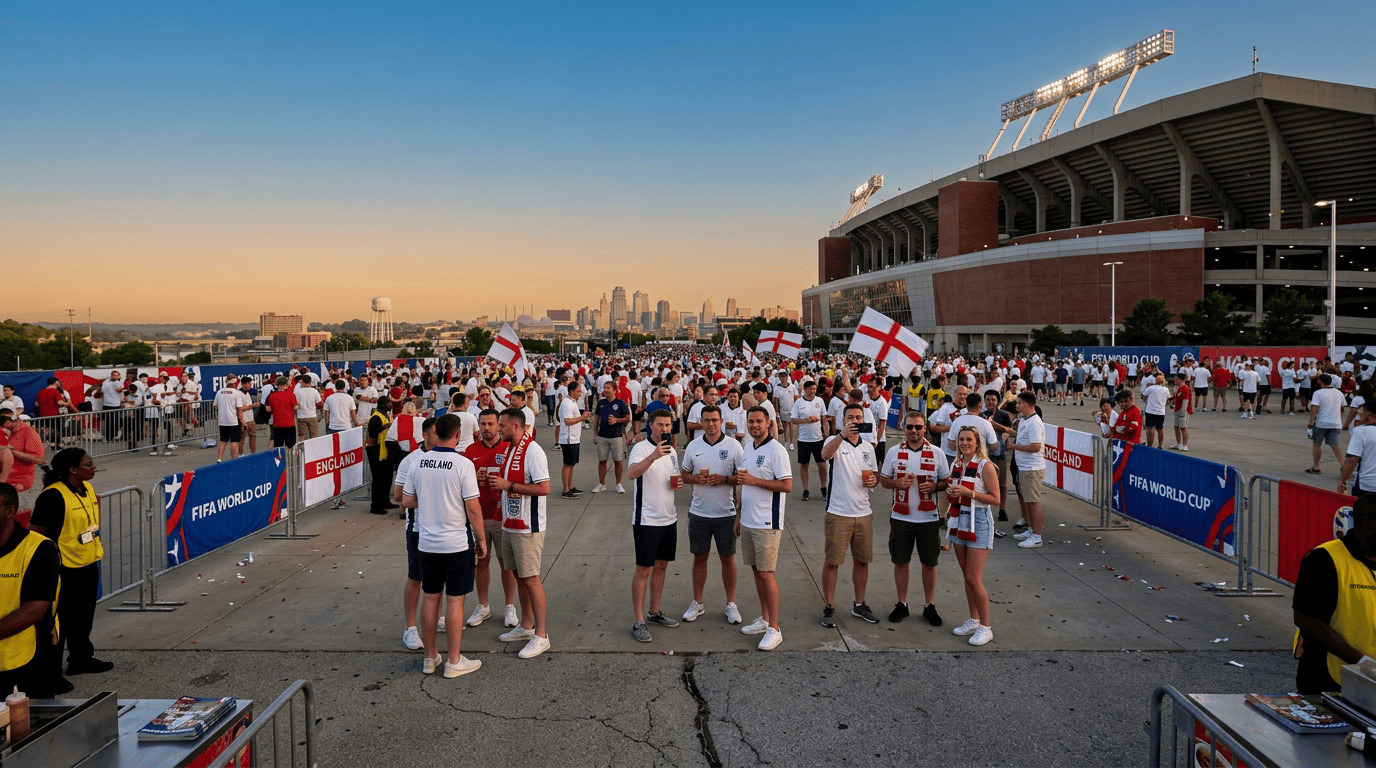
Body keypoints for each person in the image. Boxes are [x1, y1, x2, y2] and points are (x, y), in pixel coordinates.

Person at [400, 413, 486, 678]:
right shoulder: (463, 464)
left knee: (430, 597)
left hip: (427, 542)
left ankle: (430, 657)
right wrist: (481, 539)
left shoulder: (418, 462)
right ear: (458, 435)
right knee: (455, 601)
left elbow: (405, 500)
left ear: (435, 433)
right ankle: (454, 660)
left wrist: (429, 500)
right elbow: (472, 507)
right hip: (456, 543)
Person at [28, 448, 113, 676]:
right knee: (58, 622)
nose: (93, 467)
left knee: (83, 616)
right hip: (62, 568)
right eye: (88, 464)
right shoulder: (52, 496)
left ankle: (81, 659)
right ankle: (51, 673)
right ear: (72, 470)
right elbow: (35, 533)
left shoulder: (87, 488)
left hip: (87, 562)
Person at [1292, 495, 1376, 693]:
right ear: (1366, 523)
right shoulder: (1323, 559)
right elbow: (1306, 619)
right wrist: (1363, 663)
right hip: (1330, 683)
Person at [489, 407, 553, 659]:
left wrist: (509, 485)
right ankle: (527, 625)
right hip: (510, 523)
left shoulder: (533, 451)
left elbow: (544, 488)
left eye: (502, 425)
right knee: (517, 575)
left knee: (531, 578)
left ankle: (542, 635)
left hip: (528, 526)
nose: (498, 429)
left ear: (515, 426)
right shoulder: (510, 448)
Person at [879, 410, 950, 624]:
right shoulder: (893, 451)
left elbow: (946, 481)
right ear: (904, 428)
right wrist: (896, 483)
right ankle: (902, 604)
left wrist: (935, 486)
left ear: (925, 428)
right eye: (909, 427)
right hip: (901, 517)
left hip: (928, 518)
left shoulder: (937, 453)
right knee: (901, 562)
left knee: (930, 563)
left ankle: (930, 605)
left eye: (918, 427)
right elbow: (883, 479)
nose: (914, 431)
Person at [734, 406, 793, 651]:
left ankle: (775, 629)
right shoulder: (749, 447)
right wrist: (738, 516)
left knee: (767, 573)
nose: (754, 425)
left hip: (767, 522)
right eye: (751, 421)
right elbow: (743, 486)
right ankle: (765, 618)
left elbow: (787, 485)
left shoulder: (776, 451)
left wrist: (755, 481)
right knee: (757, 571)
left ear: (768, 423)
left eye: (759, 421)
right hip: (748, 520)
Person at [817, 403, 881, 627]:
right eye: (850, 417)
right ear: (842, 420)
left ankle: (860, 603)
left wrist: (874, 480)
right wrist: (841, 435)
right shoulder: (834, 442)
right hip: (838, 512)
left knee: (862, 561)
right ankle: (829, 605)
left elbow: (873, 474)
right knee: (833, 562)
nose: (854, 421)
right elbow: (824, 455)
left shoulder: (868, 448)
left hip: (863, 512)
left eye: (858, 417)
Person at [679, 404, 744, 624]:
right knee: (699, 558)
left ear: (722, 421)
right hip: (699, 512)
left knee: (728, 558)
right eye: (706, 420)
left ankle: (731, 603)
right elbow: (684, 474)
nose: (711, 424)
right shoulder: (693, 446)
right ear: (701, 422)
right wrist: (695, 479)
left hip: (725, 512)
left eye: (715, 420)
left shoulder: (734, 446)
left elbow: (743, 478)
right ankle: (697, 602)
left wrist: (725, 479)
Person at [0, 482, 66, 697]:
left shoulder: (39, 548)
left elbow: (35, 609)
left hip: (28, 663)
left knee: (30, 726)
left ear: (10, 511)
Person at [625, 410, 682, 642]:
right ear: (651, 426)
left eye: (668, 425)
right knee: (643, 569)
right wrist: (653, 456)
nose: (665, 429)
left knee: (661, 566)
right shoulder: (640, 448)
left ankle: (654, 611)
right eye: (660, 425)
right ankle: (638, 621)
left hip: (669, 518)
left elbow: (675, 478)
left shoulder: (672, 450)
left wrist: (678, 482)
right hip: (646, 520)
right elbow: (631, 474)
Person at [462, 409, 519, 630]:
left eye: (491, 424)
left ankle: (510, 606)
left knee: (507, 564)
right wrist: (472, 480)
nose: (487, 428)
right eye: (483, 424)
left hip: (503, 517)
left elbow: (520, 479)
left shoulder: (509, 449)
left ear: (498, 426)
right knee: (482, 563)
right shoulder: (470, 451)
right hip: (479, 517)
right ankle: (483, 605)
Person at [947, 425, 1001, 646]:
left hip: (978, 519)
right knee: (966, 577)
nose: (965, 443)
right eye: (961, 440)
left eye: (969, 439)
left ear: (978, 442)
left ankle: (986, 627)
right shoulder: (957, 464)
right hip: (960, 517)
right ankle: (974, 619)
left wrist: (970, 493)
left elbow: (996, 499)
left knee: (973, 577)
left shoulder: (985, 466)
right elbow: (952, 489)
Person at [393, 417, 438, 650]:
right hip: (419, 529)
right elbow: (398, 497)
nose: (439, 436)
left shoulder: (449, 457)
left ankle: (435, 617)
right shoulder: (410, 460)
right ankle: (410, 628)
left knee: (439, 578)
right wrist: (430, 499)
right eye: (434, 432)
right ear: (425, 435)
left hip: (443, 528)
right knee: (416, 577)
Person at [1010, 393, 1047, 549]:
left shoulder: (1034, 422)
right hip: (1024, 466)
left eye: (1019, 403)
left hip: (1032, 468)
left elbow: (1035, 446)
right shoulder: (1025, 420)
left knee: (1033, 502)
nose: (1017, 406)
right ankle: (1031, 530)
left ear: (1027, 404)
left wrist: (1014, 446)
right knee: (1028, 500)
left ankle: (1037, 536)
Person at [791, 379, 828, 502]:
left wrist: (826, 433)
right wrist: (806, 420)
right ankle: (805, 490)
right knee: (804, 465)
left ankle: (823, 488)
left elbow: (824, 418)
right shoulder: (798, 403)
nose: (813, 391)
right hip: (804, 439)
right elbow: (793, 420)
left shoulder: (820, 401)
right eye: (810, 389)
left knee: (822, 465)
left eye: (814, 389)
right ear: (805, 389)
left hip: (818, 439)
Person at [591, 381, 630, 494]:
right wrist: (595, 433)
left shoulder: (621, 403)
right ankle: (602, 483)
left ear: (614, 390)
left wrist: (616, 420)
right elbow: (597, 419)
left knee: (618, 461)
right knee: (602, 460)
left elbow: (627, 418)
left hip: (616, 436)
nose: (606, 390)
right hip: (602, 436)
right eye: (605, 388)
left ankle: (618, 484)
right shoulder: (601, 403)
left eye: (608, 388)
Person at [1308, 374, 1347, 475]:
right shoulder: (1339, 393)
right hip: (1335, 423)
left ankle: (1316, 467)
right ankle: (1344, 465)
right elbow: (1342, 409)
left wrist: (1311, 422)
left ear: (1321, 381)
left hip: (1321, 423)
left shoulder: (1318, 393)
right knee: (1335, 445)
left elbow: (1314, 408)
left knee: (1317, 444)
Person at [558, 380, 591, 499]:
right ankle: (565, 489)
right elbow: (567, 421)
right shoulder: (567, 403)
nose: (579, 394)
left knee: (571, 464)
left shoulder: (572, 402)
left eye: (580, 391)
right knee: (567, 464)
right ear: (571, 391)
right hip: (568, 438)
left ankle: (570, 486)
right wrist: (582, 418)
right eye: (577, 391)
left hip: (574, 438)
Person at [1339, 402, 1376, 498]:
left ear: (1369, 414)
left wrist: (1342, 481)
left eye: (1361, 410)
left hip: (1366, 485)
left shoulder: (1361, 432)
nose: (1358, 413)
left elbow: (1352, 460)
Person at [365, 397, 394, 515]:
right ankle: (375, 506)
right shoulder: (376, 417)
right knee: (378, 478)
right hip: (375, 450)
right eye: (389, 403)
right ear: (382, 405)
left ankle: (385, 501)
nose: (390, 405)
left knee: (387, 477)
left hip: (385, 450)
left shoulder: (387, 415)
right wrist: (385, 427)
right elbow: (373, 431)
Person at [213, 375, 244, 462]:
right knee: (234, 441)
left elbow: (215, 405)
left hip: (222, 420)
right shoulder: (236, 393)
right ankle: (234, 460)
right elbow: (239, 408)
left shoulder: (219, 392)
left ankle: (219, 458)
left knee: (223, 440)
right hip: (233, 420)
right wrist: (241, 420)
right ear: (234, 383)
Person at [264, 376, 298, 449]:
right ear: (286, 385)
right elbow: (295, 407)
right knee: (291, 447)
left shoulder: (272, 396)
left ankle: (279, 459)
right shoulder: (291, 395)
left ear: (277, 384)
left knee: (278, 447)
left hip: (277, 424)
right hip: (289, 423)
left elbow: (270, 409)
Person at [1141, 376, 1170, 448]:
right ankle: (1160, 445)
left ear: (1156, 381)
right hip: (1160, 412)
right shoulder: (1166, 390)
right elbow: (1169, 398)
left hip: (1150, 410)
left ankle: (1149, 445)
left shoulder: (1151, 388)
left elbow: (1143, 395)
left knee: (1150, 429)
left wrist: (1147, 387)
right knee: (1160, 429)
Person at [294, 376, 322, 442]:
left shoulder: (297, 392)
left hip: (301, 416)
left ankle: (303, 450)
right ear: (310, 382)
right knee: (314, 436)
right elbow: (319, 404)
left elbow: (295, 404)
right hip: (312, 415)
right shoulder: (314, 391)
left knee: (302, 436)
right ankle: (313, 450)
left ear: (302, 381)